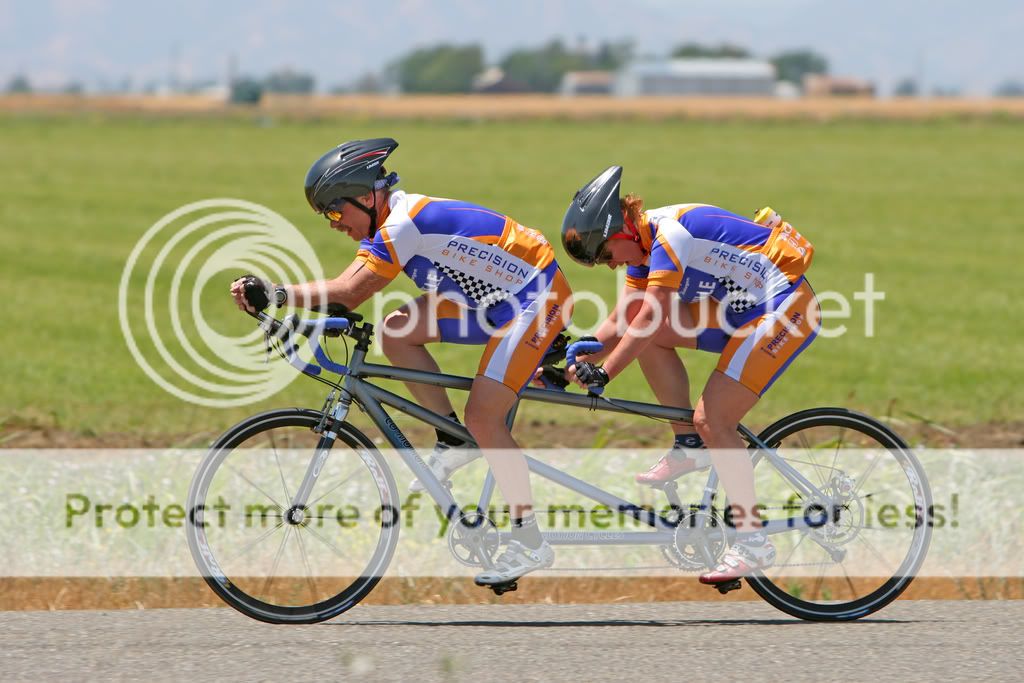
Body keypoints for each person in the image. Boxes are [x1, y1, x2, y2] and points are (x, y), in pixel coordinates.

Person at [230, 138, 573, 586]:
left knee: (485, 416)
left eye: (336, 211)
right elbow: (346, 288)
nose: (334, 224)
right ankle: (454, 441)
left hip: (536, 299)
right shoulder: (387, 225)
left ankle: (529, 540)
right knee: (397, 331)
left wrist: (276, 293)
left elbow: (350, 292)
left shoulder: (402, 225)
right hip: (492, 299)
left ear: (367, 197)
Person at [558, 166, 820, 584]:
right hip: (742, 309)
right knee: (657, 342)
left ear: (619, 230)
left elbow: (648, 316)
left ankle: (753, 542)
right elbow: (628, 316)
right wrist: (570, 355)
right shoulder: (643, 246)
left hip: (783, 308)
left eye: (606, 255)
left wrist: (604, 371)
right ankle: (689, 443)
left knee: (713, 418)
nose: (608, 266)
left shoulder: (670, 236)